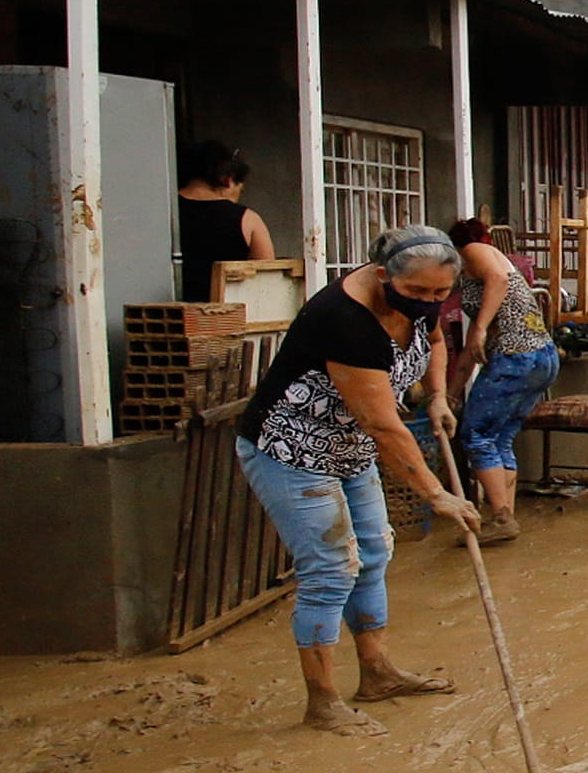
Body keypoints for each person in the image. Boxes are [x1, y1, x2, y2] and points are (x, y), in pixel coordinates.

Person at [235, 225, 481, 736]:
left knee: (372, 553)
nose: (429, 301)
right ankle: (322, 702)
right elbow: (381, 423)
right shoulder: (346, 320)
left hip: (351, 447)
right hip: (293, 449)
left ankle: (377, 673)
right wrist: (435, 494)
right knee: (330, 569)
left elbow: (435, 339)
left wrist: (437, 394)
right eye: (417, 291)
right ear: (382, 275)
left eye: (440, 292)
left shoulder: (422, 302)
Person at [448, 218, 559, 546]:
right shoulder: (485, 281)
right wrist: (450, 394)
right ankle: (505, 514)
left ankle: (500, 517)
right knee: (500, 438)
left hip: (516, 356)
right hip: (541, 356)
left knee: (476, 436)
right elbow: (471, 347)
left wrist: (481, 328)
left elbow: (496, 280)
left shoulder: (475, 251)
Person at [177, 140, 274, 301]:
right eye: (240, 190)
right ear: (228, 179)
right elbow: (267, 283)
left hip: (163, 312)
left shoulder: (161, 212)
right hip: (229, 313)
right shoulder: (248, 220)